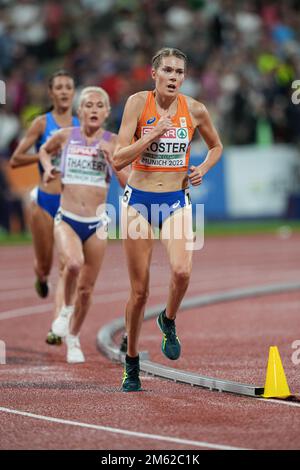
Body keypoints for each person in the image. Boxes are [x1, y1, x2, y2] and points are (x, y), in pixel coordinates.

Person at [113, 47, 223, 392]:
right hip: (139, 202)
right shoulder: (136, 103)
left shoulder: (195, 109)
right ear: (154, 74)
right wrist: (150, 135)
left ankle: (168, 319)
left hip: (176, 200)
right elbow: (118, 159)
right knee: (140, 291)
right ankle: (132, 362)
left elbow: (217, 146)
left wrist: (202, 168)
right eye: (168, 71)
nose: (174, 77)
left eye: (179, 72)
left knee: (182, 271)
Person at [40, 86, 128, 363]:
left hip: (97, 223)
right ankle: (65, 314)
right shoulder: (66, 136)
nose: (93, 109)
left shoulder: (113, 142)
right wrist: (49, 168)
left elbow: (127, 183)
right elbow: (44, 150)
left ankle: (74, 338)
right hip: (67, 218)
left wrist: (113, 161)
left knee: (87, 289)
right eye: (88, 105)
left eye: (99, 105)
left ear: (106, 112)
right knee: (73, 264)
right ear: (79, 111)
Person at [10, 70, 79, 345]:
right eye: (58, 87)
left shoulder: (81, 124)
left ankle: (57, 326)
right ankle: (40, 276)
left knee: (67, 266)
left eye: (68, 87)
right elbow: (16, 159)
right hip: (45, 201)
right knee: (45, 263)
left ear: (74, 92)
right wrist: (44, 155)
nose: (63, 91)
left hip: (71, 203)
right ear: (51, 93)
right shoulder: (42, 123)